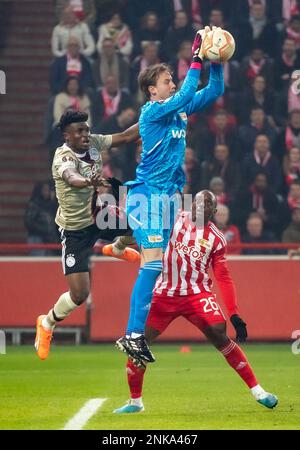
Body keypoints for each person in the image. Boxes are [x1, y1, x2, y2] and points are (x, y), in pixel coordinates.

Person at [106, 26, 225, 363]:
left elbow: (215, 89)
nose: (172, 83)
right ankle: (132, 335)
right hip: (148, 197)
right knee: (155, 263)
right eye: (166, 81)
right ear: (151, 91)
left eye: (174, 79)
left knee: (152, 260)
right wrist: (198, 56)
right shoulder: (151, 113)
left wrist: (215, 59)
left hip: (170, 199)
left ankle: (118, 245)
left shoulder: (178, 109)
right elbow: (188, 92)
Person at [113, 191, 278, 413]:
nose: (201, 208)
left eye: (207, 205)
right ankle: (135, 402)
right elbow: (145, 231)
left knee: (220, 334)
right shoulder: (172, 219)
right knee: (139, 344)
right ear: (191, 205)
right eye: (198, 203)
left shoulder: (217, 239)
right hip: (163, 293)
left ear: (214, 212)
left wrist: (234, 313)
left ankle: (258, 391)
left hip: (196, 294)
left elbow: (223, 276)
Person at [34, 110, 140, 360]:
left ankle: (116, 249)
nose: (85, 134)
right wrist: (90, 182)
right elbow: (72, 178)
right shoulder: (63, 157)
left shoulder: (93, 142)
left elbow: (125, 136)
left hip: (98, 215)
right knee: (80, 294)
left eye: (86, 129)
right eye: (79, 131)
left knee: (138, 227)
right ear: (66, 135)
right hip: (74, 230)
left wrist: (154, 112)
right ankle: (47, 323)